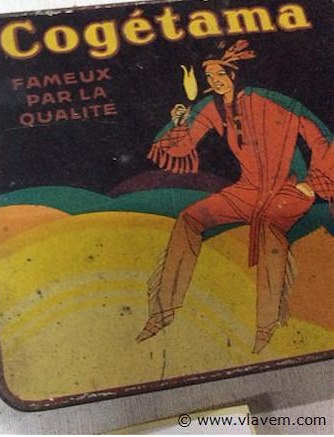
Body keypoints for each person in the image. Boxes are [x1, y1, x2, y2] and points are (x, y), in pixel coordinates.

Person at [136, 40, 333, 353]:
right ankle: (162, 312)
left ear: (234, 73)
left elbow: (320, 136)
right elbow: (182, 146)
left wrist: (314, 183)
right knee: (189, 218)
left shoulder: (269, 100)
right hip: (246, 190)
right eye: (209, 76)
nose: (215, 81)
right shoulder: (211, 108)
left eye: (220, 74)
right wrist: (180, 122)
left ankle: (266, 326)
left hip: (287, 189)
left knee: (270, 227)